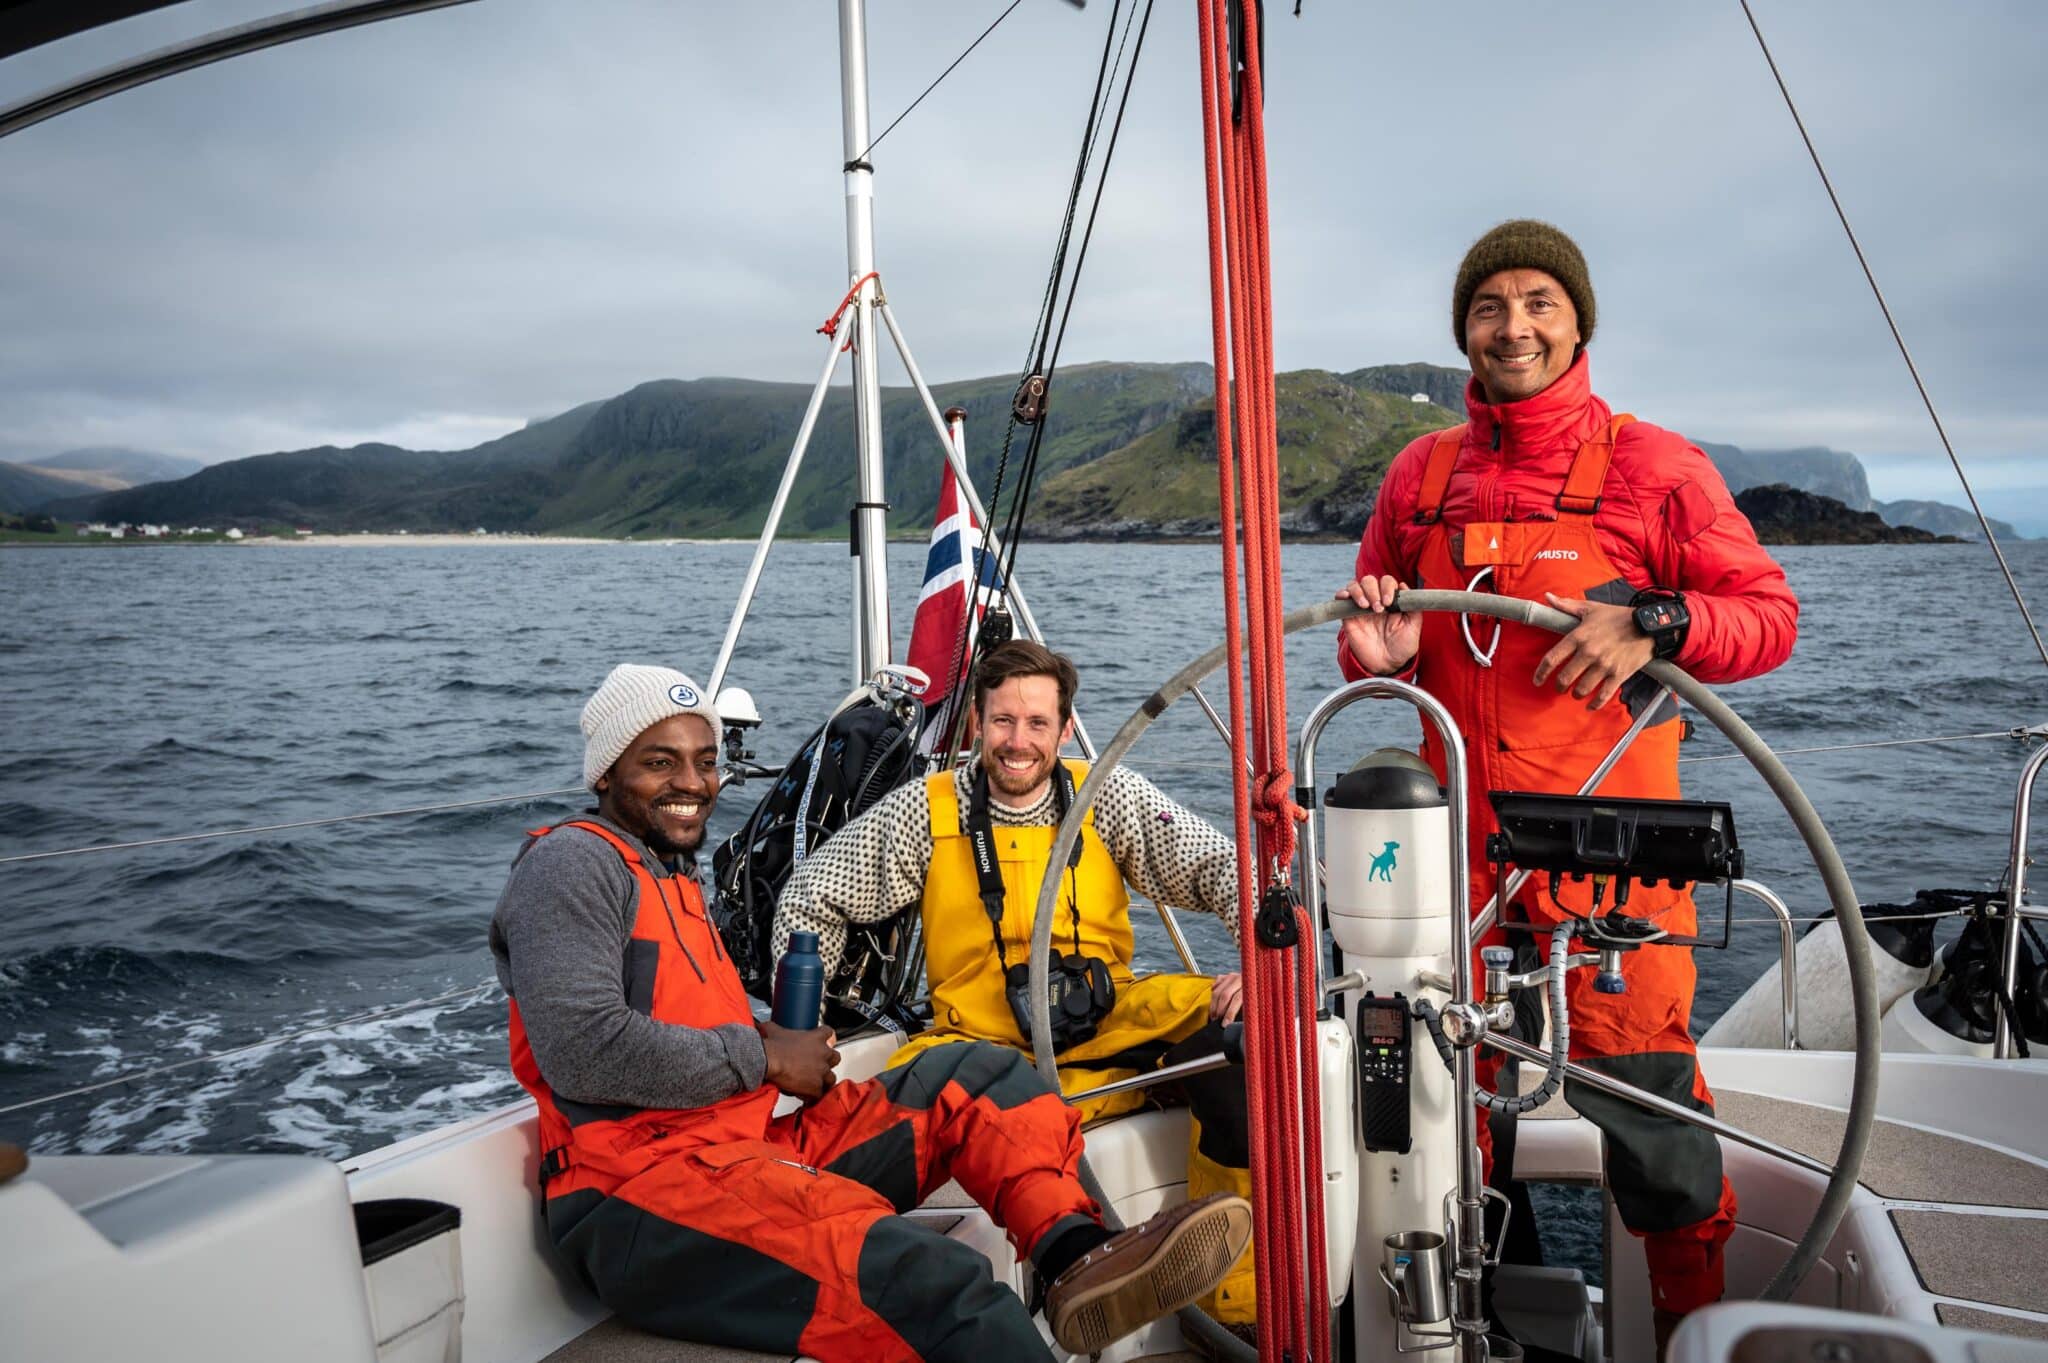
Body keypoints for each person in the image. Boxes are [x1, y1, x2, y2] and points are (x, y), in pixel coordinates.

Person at [491, 663, 1251, 1363]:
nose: (693, 781)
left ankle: (1073, 1253)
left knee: (981, 1076)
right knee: (938, 1279)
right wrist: (764, 1055)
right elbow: (585, 1050)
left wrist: (781, 1047)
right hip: (639, 1197)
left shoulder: (673, 882)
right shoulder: (573, 863)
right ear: (606, 771)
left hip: (744, 1142)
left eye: (705, 759)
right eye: (660, 761)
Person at [1333, 221, 1798, 1348]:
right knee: (1445, 1131)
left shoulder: (1656, 467)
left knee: (1653, 1135)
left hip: (1616, 875)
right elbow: (1367, 634)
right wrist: (1376, 654)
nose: (1513, 327)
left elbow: (1767, 618)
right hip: (1457, 878)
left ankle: (1692, 1334)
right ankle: (1502, 1331)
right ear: (1464, 329)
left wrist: (1658, 619)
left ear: (1577, 319)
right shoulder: (1419, 475)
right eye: (1488, 307)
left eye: (1537, 301)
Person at [772, 640, 1260, 1345]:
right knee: (935, 1103)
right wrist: (799, 1026)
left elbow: (1215, 864)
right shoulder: (925, 811)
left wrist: (1257, 958)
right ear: (975, 722)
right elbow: (809, 898)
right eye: (1003, 721)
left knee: (1238, 1044)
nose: (1018, 741)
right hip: (978, 1048)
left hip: (1108, 1024)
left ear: (1065, 728)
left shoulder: (1106, 793)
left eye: (1037, 723)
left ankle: (1233, 1306)